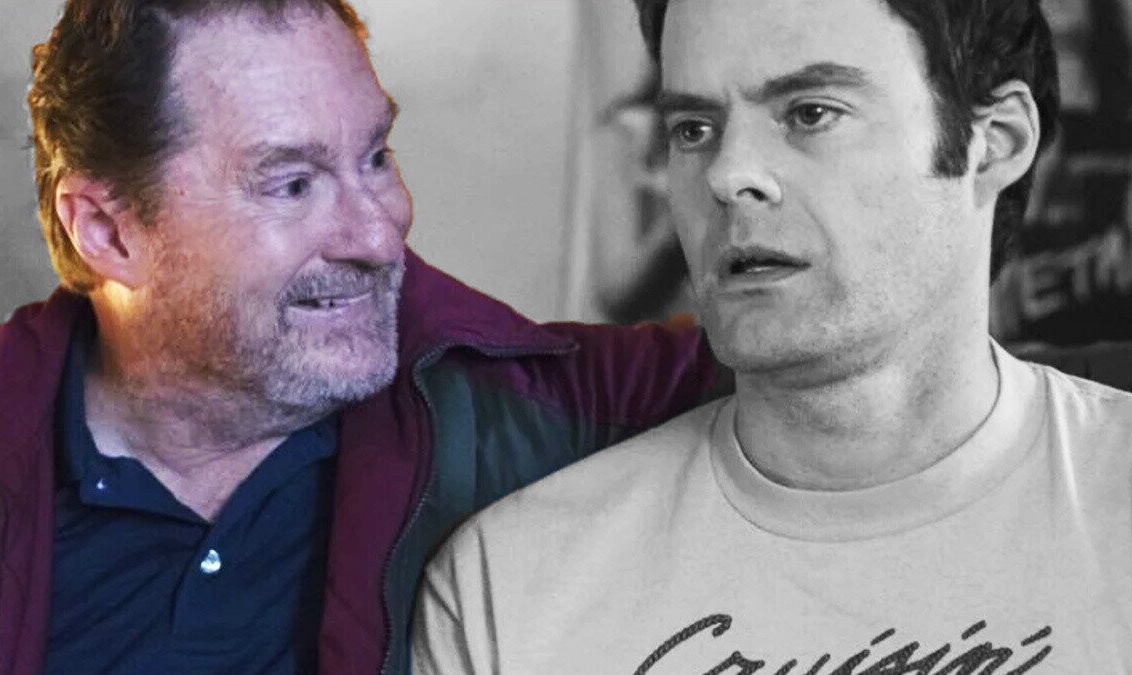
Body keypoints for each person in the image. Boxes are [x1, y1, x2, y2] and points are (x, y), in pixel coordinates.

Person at [0, 1, 724, 673]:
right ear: (108, 231)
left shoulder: (532, 407)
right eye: (293, 184)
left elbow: (783, 371)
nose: (379, 237)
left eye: (376, 157)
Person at [412, 0, 1132, 671]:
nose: (727, 176)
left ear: (995, 144)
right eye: (694, 129)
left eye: (810, 113)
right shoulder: (512, 587)